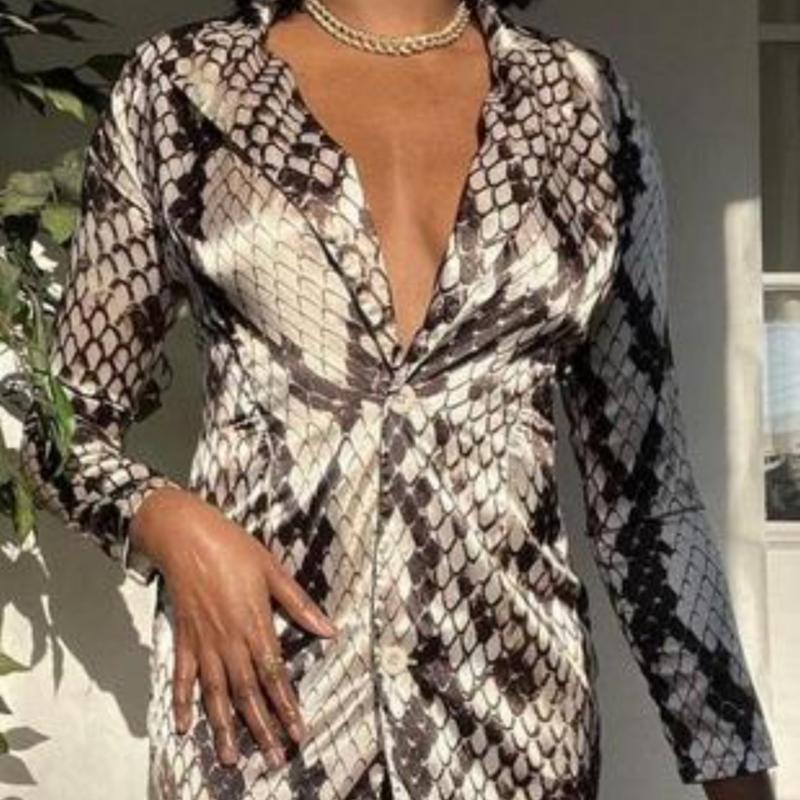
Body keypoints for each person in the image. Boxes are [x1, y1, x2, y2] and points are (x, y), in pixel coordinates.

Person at [19, 0, 780, 797]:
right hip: (261, 722)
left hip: (513, 732)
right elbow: (63, 434)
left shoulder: (586, 108)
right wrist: (168, 521)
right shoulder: (184, 87)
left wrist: (736, 772)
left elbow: (646, 497)